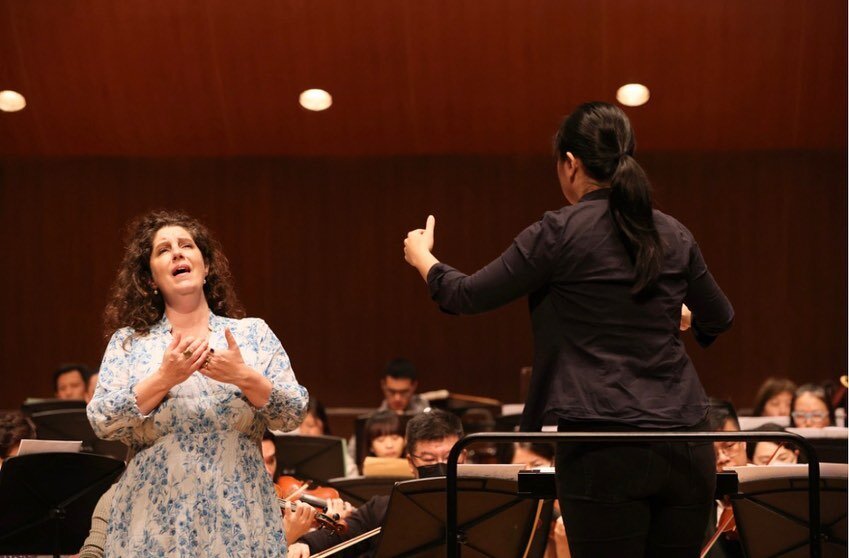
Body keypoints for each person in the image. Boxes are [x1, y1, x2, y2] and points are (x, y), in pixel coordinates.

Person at [403, 102, 734, 558]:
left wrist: (423, 257)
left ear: (571, 163)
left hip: (602, 446)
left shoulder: (558, 232)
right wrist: (681, 317)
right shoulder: (673, 232)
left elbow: (466, 295)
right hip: (688, 442)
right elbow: (720, 317)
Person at [87, 210, 308, 557]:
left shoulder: (252, 334)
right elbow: (102, 420)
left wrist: (243, 376)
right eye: (163, 250)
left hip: (241, 512)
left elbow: (293, 413)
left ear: (205, 268)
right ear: (150, 281)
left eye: (186, 245)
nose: (177, 253)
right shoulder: (130, 342)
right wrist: (164, 378)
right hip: (154, 517)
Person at [287, 408, 465, 558]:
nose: (442, 466)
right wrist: (304, 545)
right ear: (411, 463)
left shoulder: (486, 501)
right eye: (429, 459)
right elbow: (347, 533)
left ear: (463, 456)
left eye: (450, 458)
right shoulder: (383, 508)